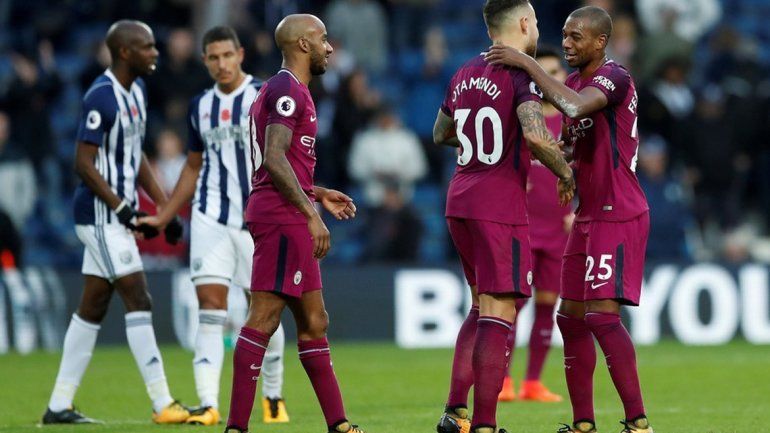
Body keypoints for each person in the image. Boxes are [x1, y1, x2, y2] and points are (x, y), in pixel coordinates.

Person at [485, 5, 653, 433]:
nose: (567, 42)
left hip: (619, 212)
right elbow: (570, 140)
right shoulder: (574, 83)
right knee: (569, 316)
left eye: (576, 36)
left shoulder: (614, 77)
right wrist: (565, 170)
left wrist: (524, 61)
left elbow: (577, 110)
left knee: (601, 316)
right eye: (563, 34)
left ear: (600, 41)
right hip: (588, 214)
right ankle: (583, 423)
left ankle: (638, 422)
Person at [433, 2, 575, 432]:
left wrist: (479, 136)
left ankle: (455, 412)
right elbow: (536, 134)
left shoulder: (463, 73)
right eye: (535, 20)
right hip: (499, 206)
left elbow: (440, 133)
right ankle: (486, 424)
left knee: (479, 307)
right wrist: (567, 172)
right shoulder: (520, 73)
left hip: (460, 198)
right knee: (500, 312)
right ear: (524, 23)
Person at [138, 26, 291, 426]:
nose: (221, 64)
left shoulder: (265, 95)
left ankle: (273, 393)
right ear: (204, 61)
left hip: (256, 220)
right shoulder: (200, 106)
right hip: (210, 217)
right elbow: (193, 165)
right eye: (213, 57)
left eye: (227, 55)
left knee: (264, 314)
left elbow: (286, 154)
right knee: (211, 308)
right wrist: (166, 213)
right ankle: (208, 403)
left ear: (240, 54)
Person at [41, 20, 189, 425]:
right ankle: (163, 403)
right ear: (125, 52)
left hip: (115, 216)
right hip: (100, 217)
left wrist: (164, 208)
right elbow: (82, 164)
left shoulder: (136, 92)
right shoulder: (101, 98)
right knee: (139, 298)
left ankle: (58, 405)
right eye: (147, 47)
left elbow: (134, 155)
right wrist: (124, 209)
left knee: (92, 306)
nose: (155, 52)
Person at [223, 14, 364, 433]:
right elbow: (273, 157)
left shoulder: (290, 89)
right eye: (322, 40)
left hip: (286, 208)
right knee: (263, 318)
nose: (330, 48)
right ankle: (236, 427)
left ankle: (338, 423)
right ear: (303, 44)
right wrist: (310, 213)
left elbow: (280, 163)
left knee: (314, 320)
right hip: (282, 216)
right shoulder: (286, 89)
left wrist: (317, 192)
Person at [498, 46, 571, 404]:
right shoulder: (520, 122)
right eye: (543, 73)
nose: (551, 79)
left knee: (548, 304)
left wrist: (581, 206)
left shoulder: (573, 124)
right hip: (523, 226)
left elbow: (590, 170)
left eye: (556, 72)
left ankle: (533, 383)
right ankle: (503, 382)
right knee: (513, 307)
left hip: (560, 230)